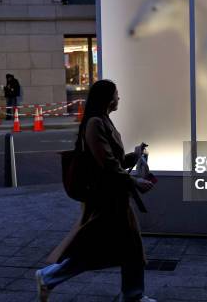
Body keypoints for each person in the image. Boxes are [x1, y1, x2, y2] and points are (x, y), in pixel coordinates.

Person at [35, 79, 156, 302]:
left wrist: (135, 155)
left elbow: (114, 160)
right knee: (97, 248)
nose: (119, 98)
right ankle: (49, 277)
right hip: (106, 198)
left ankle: (132, 294)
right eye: (117, 94)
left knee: (128, 246)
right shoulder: (95, 124)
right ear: (108, 98)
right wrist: (135, 182)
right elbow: (107, 164)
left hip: (113, 196)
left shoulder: (103, 121)